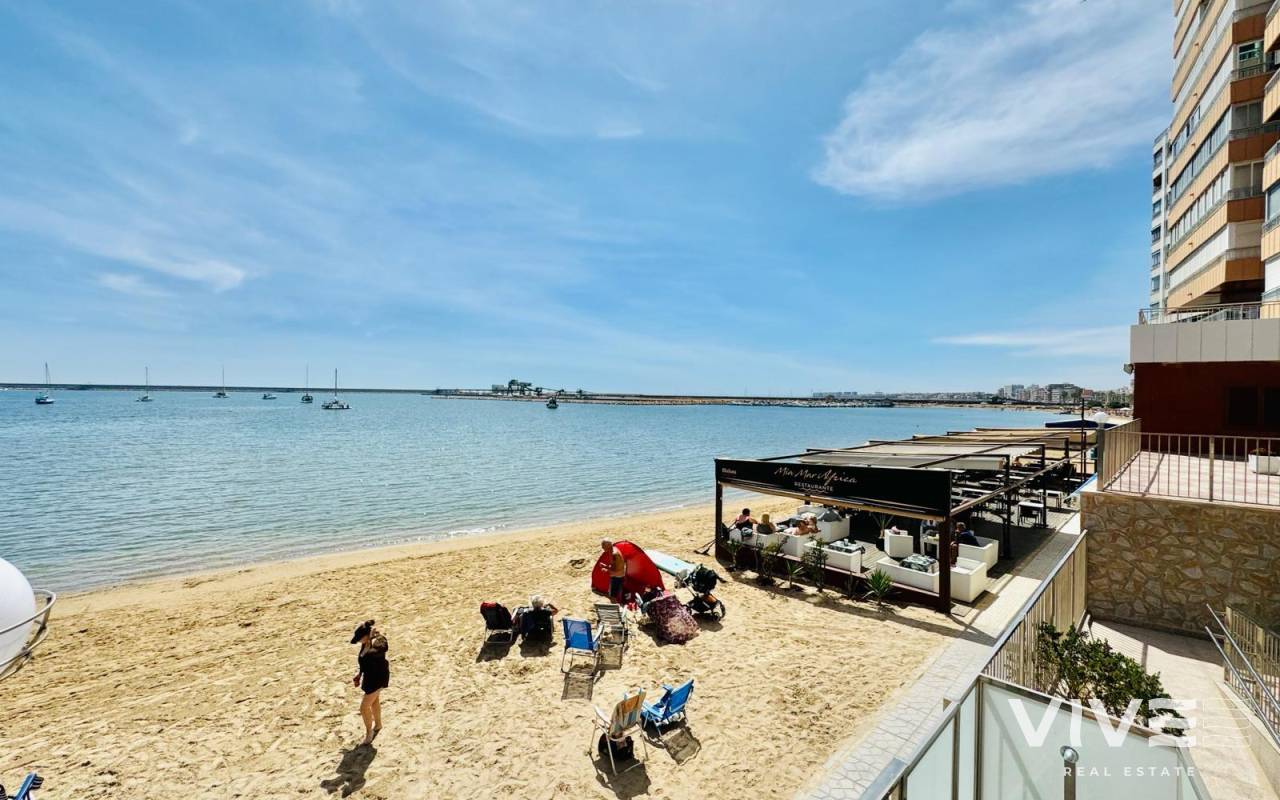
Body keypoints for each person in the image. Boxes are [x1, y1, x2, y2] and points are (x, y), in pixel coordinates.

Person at [350, 619, 390, 746]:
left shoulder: (379, 640)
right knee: (374, 702)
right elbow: (364, 660)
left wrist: (372, 638)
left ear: (367, 635)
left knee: (364, 707)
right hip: (369, 678)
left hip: (378, 678)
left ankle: (369, 733)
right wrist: (359, 673)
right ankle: (378, 725)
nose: (359, 642)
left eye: (360, 639)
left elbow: (380, 650)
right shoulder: (365, 642)